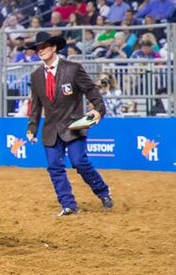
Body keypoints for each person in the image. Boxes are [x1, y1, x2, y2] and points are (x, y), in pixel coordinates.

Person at [25, 31, 112, 216]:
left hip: (74, 125)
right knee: (54, 167)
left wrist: (98, 109)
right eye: (38, 49)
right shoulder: (36, 75)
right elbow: (36, 105)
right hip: (50, 128)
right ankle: (68, 205)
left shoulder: (73, 68)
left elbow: (91, 91)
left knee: (79, 162)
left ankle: (103, 191)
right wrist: (32, 127)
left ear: (54, 47)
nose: (40, 51)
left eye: (44, 47)